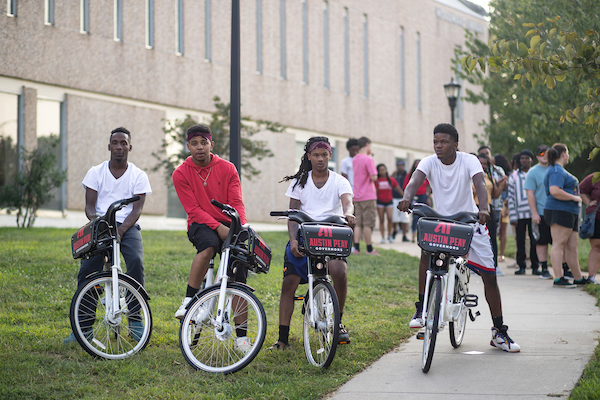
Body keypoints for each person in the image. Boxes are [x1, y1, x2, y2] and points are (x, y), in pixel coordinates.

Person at [399, 123, 520, 352]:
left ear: (455, 144)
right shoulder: (429, 161)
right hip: (440, 221)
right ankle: (421, 309)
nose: (438, 146)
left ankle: (498, 332)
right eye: (435, 141)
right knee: (426, 252)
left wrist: (483, 208)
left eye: (444, 142)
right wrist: (407, 197)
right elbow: (414, 181)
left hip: (469, 220)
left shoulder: (469, 160)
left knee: (489, 276)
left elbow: (480, 185)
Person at [64, 127, 152, 343]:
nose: (119, 146)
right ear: (109, 146)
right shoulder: (96, 172)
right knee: (87, 270)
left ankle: (135, 319)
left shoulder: (138, 175)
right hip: (101, 225)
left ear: (129, 147)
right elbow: (90, 207)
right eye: (115, 142)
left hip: (128, 227)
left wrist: (121, 231)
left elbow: (136, 210)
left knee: (136, 263)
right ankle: (82, 328)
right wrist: (100, 225)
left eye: (123, 143)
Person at [270, 136, 355, 350]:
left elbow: (348, 202)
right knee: (289, 282)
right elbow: (293, 214)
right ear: (309, 156)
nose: (320, 159)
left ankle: (338, 321)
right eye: (316, 155)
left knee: (339, 271)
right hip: (305, 235)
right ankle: (282, 338)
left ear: (330, 156)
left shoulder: (339, 180)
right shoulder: (300, 181)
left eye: (324, 155)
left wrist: (348, 214)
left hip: (332, 234)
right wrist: (293, 239)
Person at [172, 124, 249, 339]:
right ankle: (188, 300)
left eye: (204, 142)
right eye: (194, 143)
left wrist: (238, 227)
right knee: (208, 246)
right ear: (188, 146)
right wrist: (218, 228)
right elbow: (193, 210)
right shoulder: (180, 173)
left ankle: (242, 337)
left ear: (211, 144)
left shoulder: (227, 168)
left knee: (238, 277)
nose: (200, 147)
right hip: (200, 223)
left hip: (229, 223)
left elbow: (237, 203)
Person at [544, 143, 589, 288]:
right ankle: (559, 278)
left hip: (569, 212)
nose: (568, 155)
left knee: (572, 246)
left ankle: (578, 277)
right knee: (559, 244)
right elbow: (554, 190)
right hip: (559, 211)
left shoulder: (559, 170)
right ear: (563, 153)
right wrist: (574, 197)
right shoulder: (556, 171)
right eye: (568, 152)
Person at [507, 149, 539, 275]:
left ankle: (535, 266)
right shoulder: (514, 176)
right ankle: (521, 266)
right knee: (520, 241)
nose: (524, 161)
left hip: (533, 213)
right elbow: (511, 197)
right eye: (522, 158)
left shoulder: (535, 173)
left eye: (527, 158)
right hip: (519, 214)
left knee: (534, 240)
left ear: (532, 160)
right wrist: (513, 216)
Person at [524, 145, 553, 279]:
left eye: (547, 153)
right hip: (541, 212)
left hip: (556, 211)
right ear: (537, 157)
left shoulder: (555, 168)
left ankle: (564, 268)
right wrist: (534, 212)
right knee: (542, 241)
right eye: (541, 154)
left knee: (558, 242)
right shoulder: (533, 172)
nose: (544, 156)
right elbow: (530, 194)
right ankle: (544, 268)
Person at [478, 146, 507, 275]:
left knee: (491, 238)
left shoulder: (489, 176)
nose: (482, 166)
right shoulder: (470, 175)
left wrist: (501, 185)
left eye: (484, 163)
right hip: (473, 210)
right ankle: (475, 265)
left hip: (488, 210)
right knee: (474, 239)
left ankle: (494, 266)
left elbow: (495, 194)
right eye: (480, 163)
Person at [352, 136, 380, 255]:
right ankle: (369, 249)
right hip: (368, 195)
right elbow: (374, 177)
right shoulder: (368, 159)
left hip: (356, 195)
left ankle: (356, 248)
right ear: (367, 145)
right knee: (368, 224)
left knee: (358, 223)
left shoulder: (354, 159)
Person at [579, 172, 600, 284]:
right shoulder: (595, 177)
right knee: (597, 247)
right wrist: (588, 202)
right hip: (597, 218)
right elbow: (581, 189)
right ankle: (591, 277)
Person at [403, 160, 430, 242]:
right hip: (414, 196)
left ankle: (422, 236)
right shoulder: (410, 175)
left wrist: (428, 195)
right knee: (415, 216)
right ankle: (413, 235)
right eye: (416, 164)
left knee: (423, 216)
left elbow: (429, 185)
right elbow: (406, 186)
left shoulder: (425, 174)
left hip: (423, 196)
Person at [375, 163, 401, 243]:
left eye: (383, 169)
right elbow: (375, 192)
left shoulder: (391, 179)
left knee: (390, 219)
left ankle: (390, 235)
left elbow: (398, 188)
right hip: (380, 202)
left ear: (386, 170)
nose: (382, 171)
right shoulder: (377, 181)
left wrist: (405, 196)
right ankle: (383, 237)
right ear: (378, 172)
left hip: (389, 201)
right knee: (381, 220)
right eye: (380, 170)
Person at [494, 153, 512, 264]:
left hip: (503, 205)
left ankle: (501, 255)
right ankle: (500, 254)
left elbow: (506, 189)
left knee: (502, 231)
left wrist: (506, 206)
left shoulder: (500, 172)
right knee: (499, 231)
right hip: (500, 205)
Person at [391, 160, 410, 242]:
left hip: (403, 198)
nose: (400, 167)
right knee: (394, 218)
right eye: (398, 165)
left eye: (401, 165)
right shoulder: (394, 175)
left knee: (404, 218)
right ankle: (395, 230)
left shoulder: (406, 175)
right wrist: (392, 175)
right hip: (394, 197)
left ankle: (404, 235)